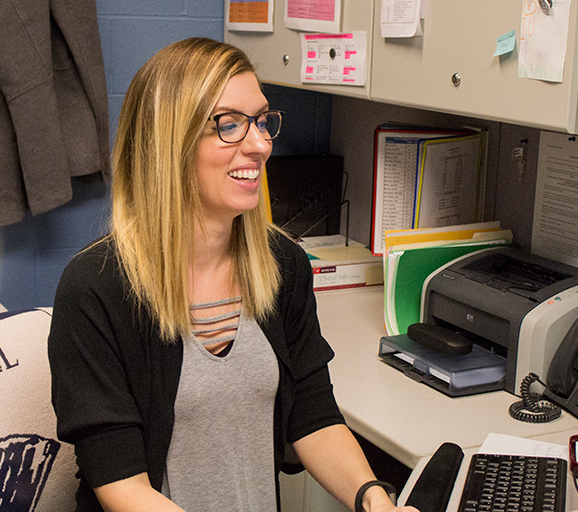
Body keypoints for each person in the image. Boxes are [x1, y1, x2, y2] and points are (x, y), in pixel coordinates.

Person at [48, 37, 420, 512]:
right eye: (230, 126)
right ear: (170, 144)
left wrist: (373, 500)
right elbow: (122, 486)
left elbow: (313, 416)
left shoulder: (280, 264)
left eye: (263, 122)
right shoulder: (95, 289)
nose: (261, 144)